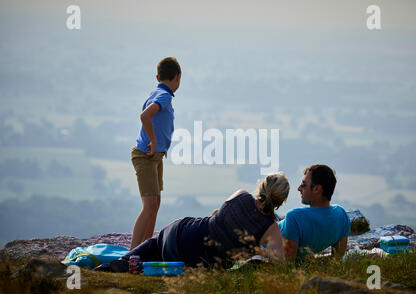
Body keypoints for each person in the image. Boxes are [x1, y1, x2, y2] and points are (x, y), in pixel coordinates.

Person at [96, 173, 290, 272]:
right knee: (165, 261)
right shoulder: (271, 229)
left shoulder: (241, 195)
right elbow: (279, 266)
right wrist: (254, 250)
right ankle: (137, 268)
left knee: (156, 243)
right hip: (196, 263)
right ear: (281, 201)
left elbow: (216, 213)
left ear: (262, 186)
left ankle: (119, 264)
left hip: (181, 233)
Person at [130, 57, 181, 250]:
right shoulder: (165, 96)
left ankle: (145, 247)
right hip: (146, 156)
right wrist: (153, 139)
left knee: (155, 204)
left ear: (157, 77)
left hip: (155, 157)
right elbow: (145, 116)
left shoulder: (157, 92)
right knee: (149, 206)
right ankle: (131, 255)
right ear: (178, 77)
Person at [278, 164, 350, 261]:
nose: (299, 188)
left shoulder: (294, 217)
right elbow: (337, 258)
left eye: (304, 184)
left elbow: (287, 264)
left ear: (317, 189)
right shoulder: (341, 215)